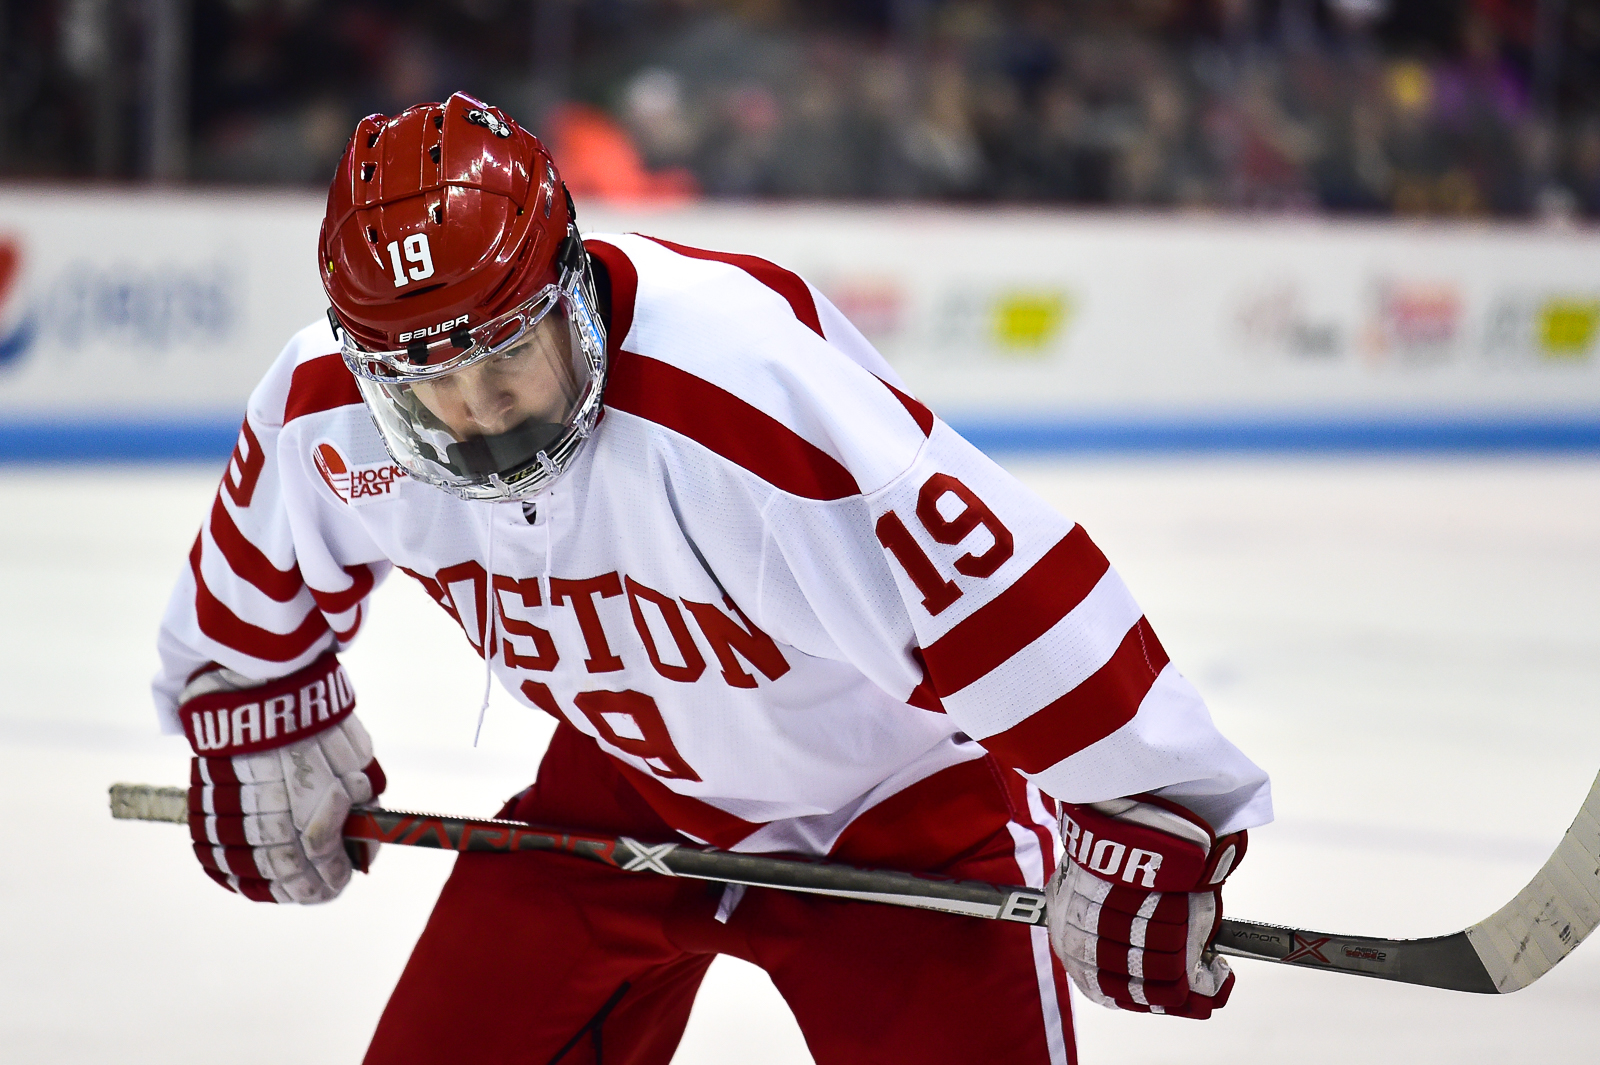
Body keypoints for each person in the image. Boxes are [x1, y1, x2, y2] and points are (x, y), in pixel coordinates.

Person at [156, 92, 1271, 1065]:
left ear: (568, 285)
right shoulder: (325, 406)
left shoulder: (744, 393)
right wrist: (251, 708)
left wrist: (1148, 806)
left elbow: (1004, 594)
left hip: (903, 813)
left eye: (503, 355)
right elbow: (257, 575)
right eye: (428, 385)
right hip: (625, 788)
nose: (477, 410)